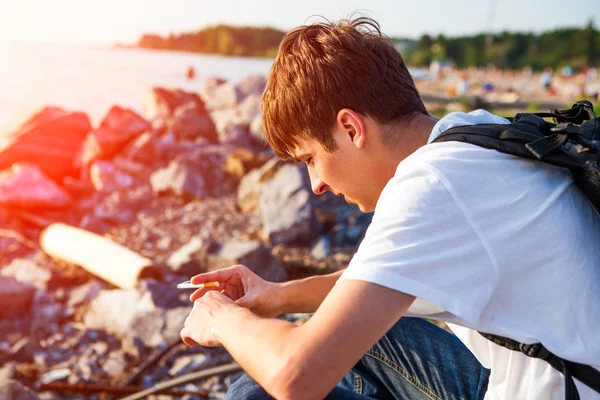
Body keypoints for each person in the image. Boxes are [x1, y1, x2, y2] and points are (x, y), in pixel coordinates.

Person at [180, 17, 600, 400]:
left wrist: (221, 319)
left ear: (350, 127)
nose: (317, 184)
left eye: (310, 159)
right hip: (556, 372)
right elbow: (378, 278)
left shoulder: (435, 185)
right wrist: (275, 297)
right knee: (358, 330)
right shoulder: (473, 134)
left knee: (254, 396)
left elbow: (296, 378)